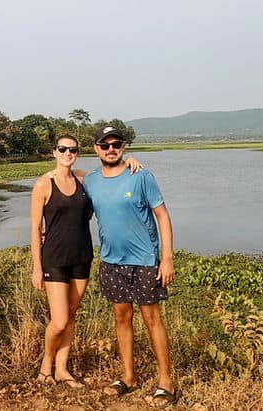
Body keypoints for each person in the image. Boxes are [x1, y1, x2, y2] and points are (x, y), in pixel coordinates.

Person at [30, 134, 142, 388]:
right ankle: (46, 365)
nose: (68, 153)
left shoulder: (84, 180)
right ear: (55, 152)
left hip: (82, 256)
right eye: (63, 149)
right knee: (58, 320)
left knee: (70, 316)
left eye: (72, 150)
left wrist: (130, 162)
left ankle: (62, 369)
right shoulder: (44, 184)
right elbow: (35, 228)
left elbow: (110, 176)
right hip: (54, 259)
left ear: (78, 153)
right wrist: (37, 268)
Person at [82, 126, 178, 407]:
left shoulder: (141, 176)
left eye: (116, 144)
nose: (111, 149)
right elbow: (72, 192)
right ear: (96, 148)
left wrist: (168, 257)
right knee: (121, 319)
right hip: (111, 262)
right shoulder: (91, 181)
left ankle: (165, 382)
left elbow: (162, 216)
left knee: (152, 320)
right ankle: (128, 376)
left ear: (123, 147)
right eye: (105, 145)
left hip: (145, 261)